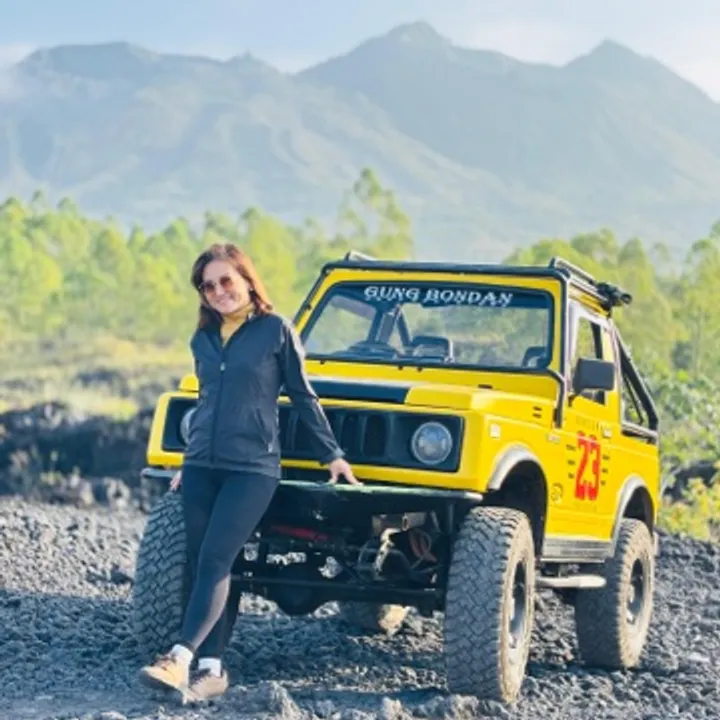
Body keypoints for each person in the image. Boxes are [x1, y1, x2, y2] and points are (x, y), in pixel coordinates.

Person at [138, 242, 359, 702]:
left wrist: (332, 455)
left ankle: (178, 657)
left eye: (226, 280)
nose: (219, 291)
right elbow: (206, 402)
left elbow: (302, 395)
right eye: (208, 286)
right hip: (201, 466)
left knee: (216, 559)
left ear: (246, 280)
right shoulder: (202, 339)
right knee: (203, 563)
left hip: (252, 470)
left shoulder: (275, 331)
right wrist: (186, 460)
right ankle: (212, 668)